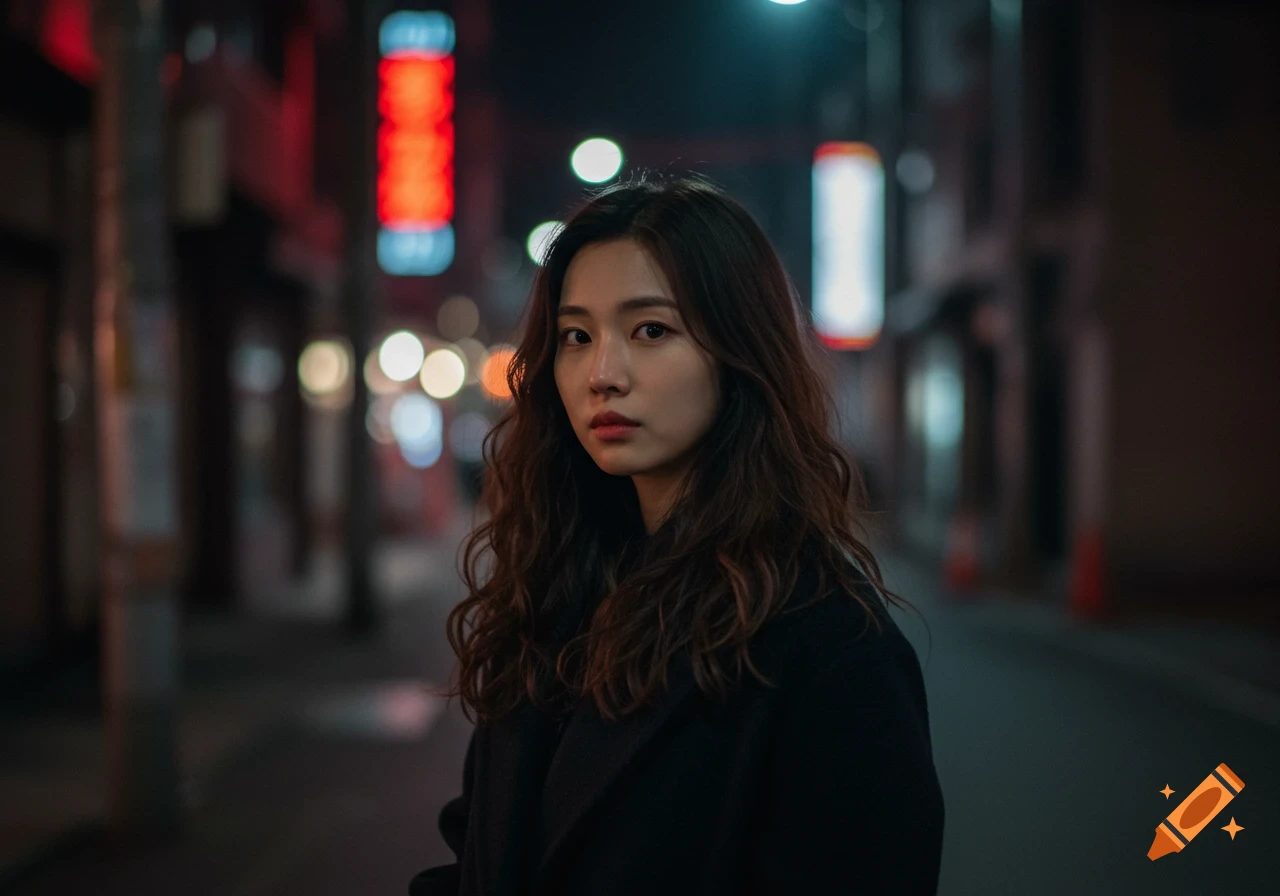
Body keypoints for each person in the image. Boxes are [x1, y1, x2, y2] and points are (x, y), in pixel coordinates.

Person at [410, 174, 945, 896]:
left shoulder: (828, 644)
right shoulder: (556, 595)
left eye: (651, 331)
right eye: (576, 337)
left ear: (739, 352)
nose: (602, 374)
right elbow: (478, 852)